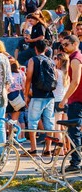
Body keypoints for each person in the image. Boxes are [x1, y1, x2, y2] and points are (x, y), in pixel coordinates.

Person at [23, 40, 55, 157]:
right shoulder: (51, 61)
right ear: (46, 49)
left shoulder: (33, 60)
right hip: (50, 96)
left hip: (37, 96)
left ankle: (33, 149)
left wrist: (26, 94)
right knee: (49, 123)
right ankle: (48, 149)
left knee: (32, 122)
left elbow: (29, 78)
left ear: (36, 49)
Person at [59, 35, 82, 172]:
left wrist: (64, 99)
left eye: (66, 44)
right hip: (77, 99)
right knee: (75, 131)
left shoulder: (75, 59)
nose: (64, 47)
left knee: (74, 132)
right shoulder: (76, 57)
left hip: (77, 99)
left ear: (74, 44)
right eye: (63, 45)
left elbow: (75, 82)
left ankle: (75, 162)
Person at [52, 52, 70, 155]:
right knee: (65, 127)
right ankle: (67, 147)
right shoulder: (67, 74)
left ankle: (60, 149)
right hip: (66, 101)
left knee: (57, 127)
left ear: (59, 60)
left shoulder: (56, 72)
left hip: (57, 101)